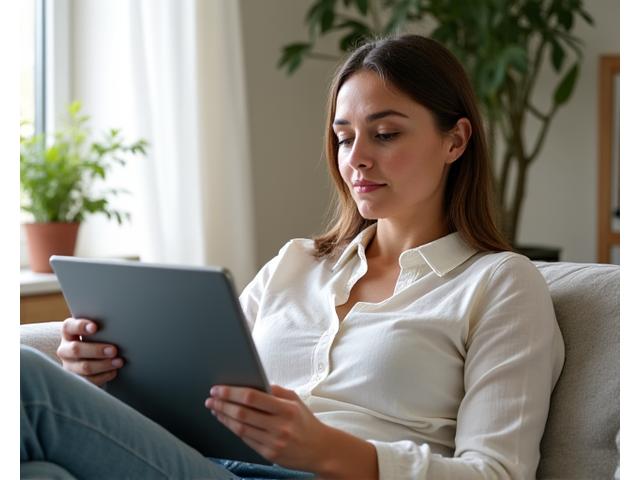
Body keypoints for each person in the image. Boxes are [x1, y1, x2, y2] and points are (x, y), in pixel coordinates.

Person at [21, 34, 564, 479]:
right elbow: (199, 393)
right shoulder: (297, 262)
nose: (357, 160)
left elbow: (498, 473)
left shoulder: (500, 284)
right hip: (213, 464)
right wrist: (100, 376)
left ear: (456, 140)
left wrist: (325, 449)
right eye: (344, 137)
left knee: (22, 377)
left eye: (386, 134)